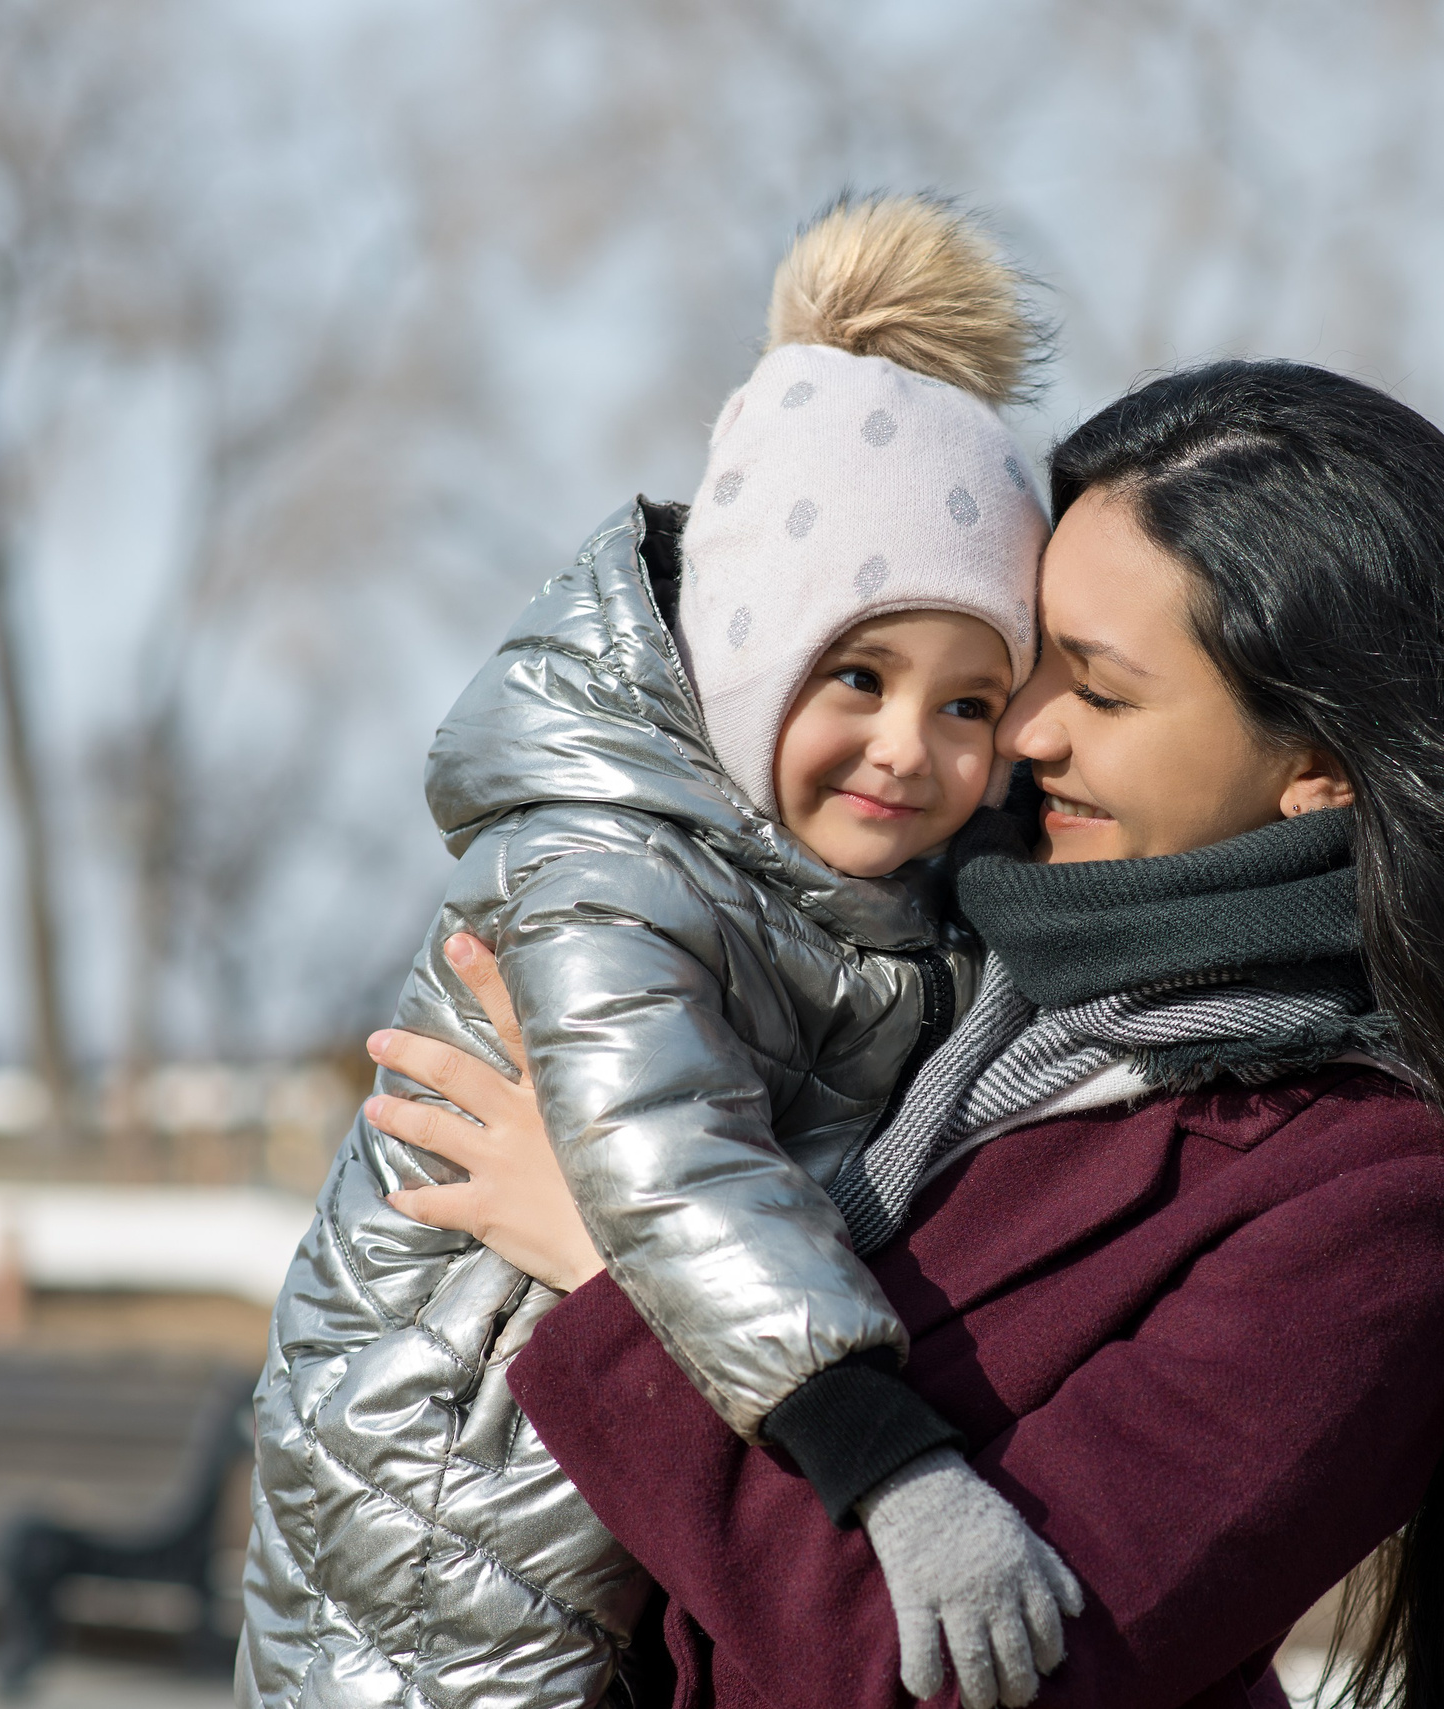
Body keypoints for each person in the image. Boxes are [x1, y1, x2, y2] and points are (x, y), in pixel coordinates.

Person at [373, 360, 1444, 1708]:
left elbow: (964, 1685)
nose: (1024, 729)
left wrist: (611, 1270)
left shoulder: (1376, 1205)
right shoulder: (942, 972)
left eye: (1100, 690)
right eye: (1033, 664)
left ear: (1321, 768)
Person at [240, 195, 1084, 1709]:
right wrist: (884, 1458)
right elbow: (667, 1156)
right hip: (443, 1495)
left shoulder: (869, 899)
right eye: (862, 672)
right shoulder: (605, 862)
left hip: (601, 1473)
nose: (912, 746)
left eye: (971, 703)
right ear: (750, 656)